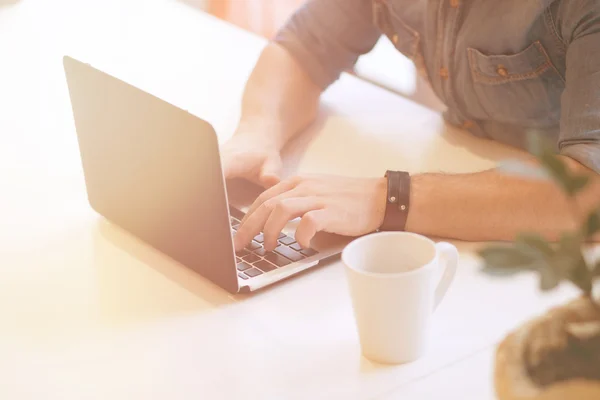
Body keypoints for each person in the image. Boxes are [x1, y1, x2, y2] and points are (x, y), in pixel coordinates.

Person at [220, 0, 600, 253]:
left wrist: (388, 198)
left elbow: (590, 195)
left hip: (559, 265)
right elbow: (306, 46)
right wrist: (257, 133)